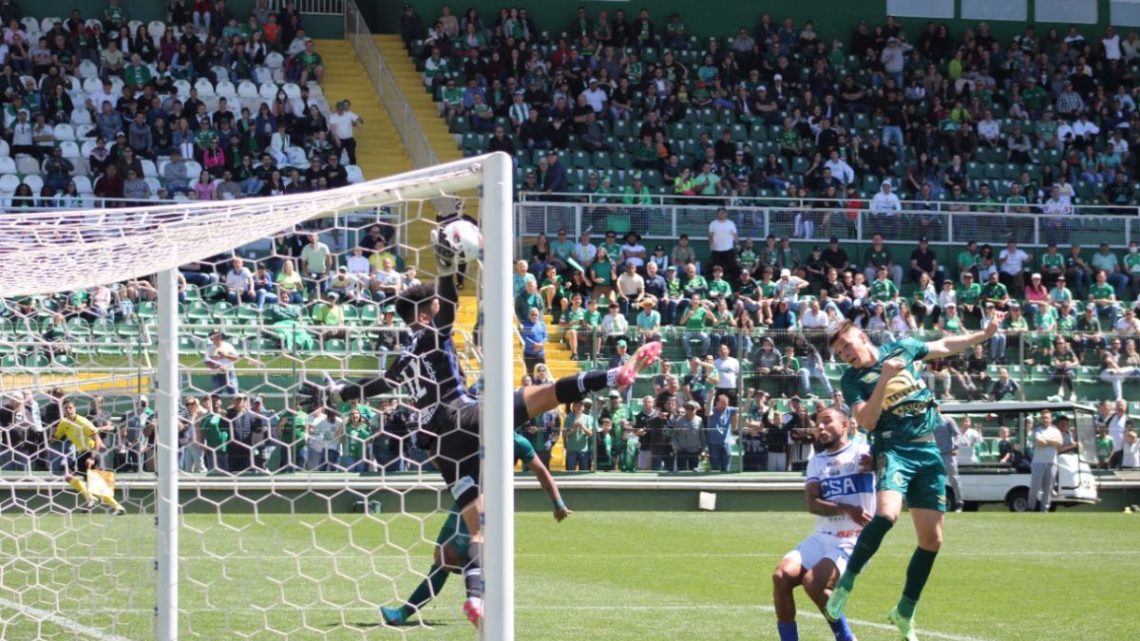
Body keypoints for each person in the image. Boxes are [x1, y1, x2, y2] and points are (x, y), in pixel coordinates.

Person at [301, 221, 661, 626]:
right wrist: (448, 266)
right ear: (427, 310)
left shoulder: (402, 354)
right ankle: (614, 376)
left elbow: (377, 386)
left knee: (478, 529)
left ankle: (475, 599)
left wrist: (334, 395)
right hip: (462, 414)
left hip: (439, 448)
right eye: (435, 305)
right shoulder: (431, 334)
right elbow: (450, 302)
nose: (440, 306)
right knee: (543, 395)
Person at [825, 314, 1003, 638]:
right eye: (839, 352)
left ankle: (904, 611)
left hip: (927, 450)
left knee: (932, 540)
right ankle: (845, 583)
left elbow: (945, 345)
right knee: (887, 514)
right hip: (892, 449)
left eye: (847, 345)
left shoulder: (903, 348)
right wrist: (883, 380)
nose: (845, 354)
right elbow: (866, 421)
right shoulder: (851, 380)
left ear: (862, 337)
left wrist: (984, 333)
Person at [380, 431, 571, 626]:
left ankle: (405, 614)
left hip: (484, 501)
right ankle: (478, 605)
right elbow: (447, 465)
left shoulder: (518, 442)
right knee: (442, 554)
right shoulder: (470, 433)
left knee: (446, 557)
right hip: (463, 498)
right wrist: (432, 451)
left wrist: (558, 503)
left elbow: (541, 471)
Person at [773, 407, 871, 641]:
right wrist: (846, 508)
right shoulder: (817, 461)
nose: (821, 427)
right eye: (818, 423)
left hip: (854, 538)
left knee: (814, 582)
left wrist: (877, 462)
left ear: (846, 425)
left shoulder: (864, 453)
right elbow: (812, 503)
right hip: (822, 536)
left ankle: (847, 638)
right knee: (781, 577)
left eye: (827, 422)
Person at [54, 399, 126, 515]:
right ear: (63, 410)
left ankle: (92, 498)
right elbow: (56, 436)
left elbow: (97, 438)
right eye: (66, 408)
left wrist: (92, 457)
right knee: (93, 484)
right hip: (82, 454)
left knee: (80, 480)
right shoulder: (64, 423)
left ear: (75, 408)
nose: (69, 410)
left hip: (90, 452)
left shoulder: (83, 422)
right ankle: (116, 507)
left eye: (71, 407)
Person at [1028, 409, 1063, 512]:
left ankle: (1045, 509)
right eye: (1043, 417)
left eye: (1047, 417)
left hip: (1052, 463)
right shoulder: (1037, 430)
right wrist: (1052, 442)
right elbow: (1039, 442)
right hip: (1038, 463)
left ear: (1051, 419)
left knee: (1048, 488)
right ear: (1040, 419)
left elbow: (1060, 443)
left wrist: (1046, 440)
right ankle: (1030, 507)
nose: (1045, 419)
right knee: (1035, 487)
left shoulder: (1056, 430)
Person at [932, 413, 963, 512]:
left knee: (954, 479)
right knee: (936, 481)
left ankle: (959, 503)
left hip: (948, 455)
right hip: (934, 455)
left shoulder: (948, 419)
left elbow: (958, 434)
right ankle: (938, 503)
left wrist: (956, 446)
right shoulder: (928, 420)